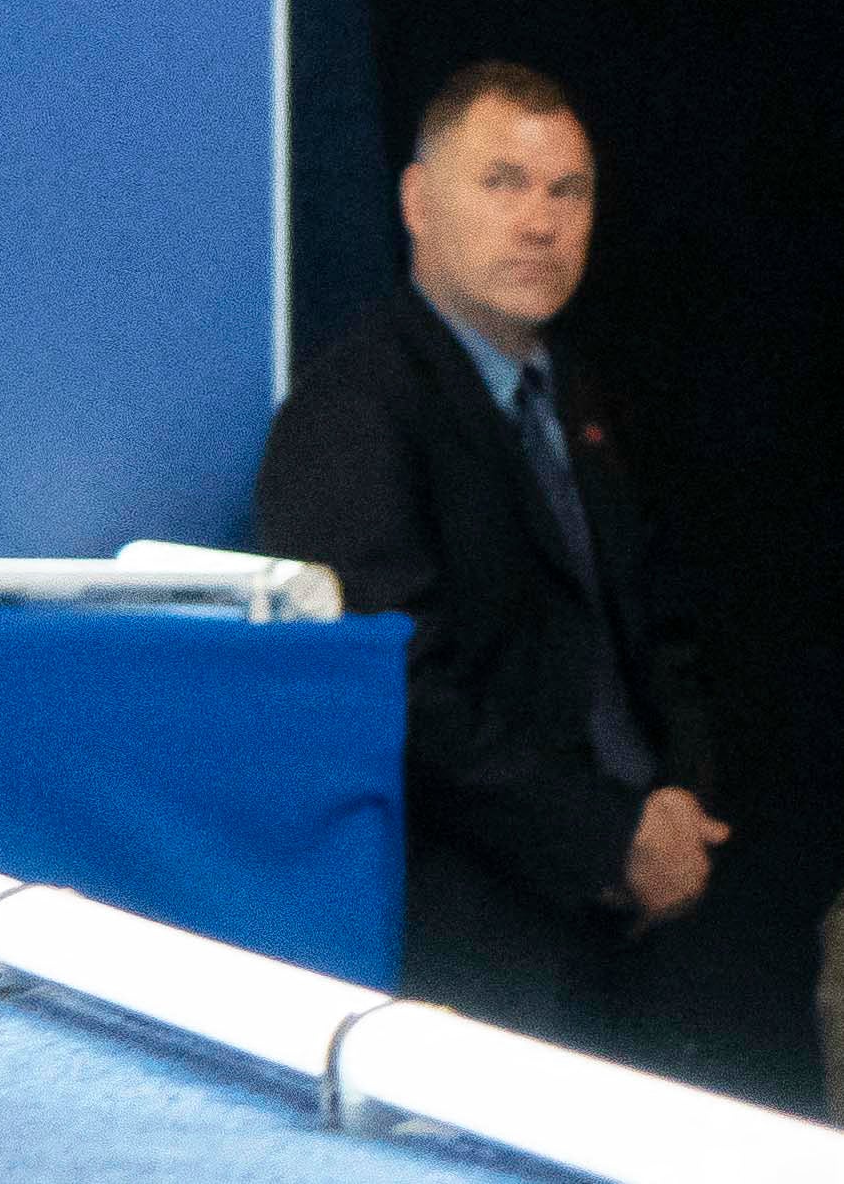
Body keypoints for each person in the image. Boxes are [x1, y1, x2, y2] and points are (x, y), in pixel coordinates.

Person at [254, 59, 725, 1044]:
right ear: (417, 202)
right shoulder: (351, 412)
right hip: (465, 953)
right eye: (500, 183)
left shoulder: (580, 399)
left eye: (567, 190)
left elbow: (653, 633)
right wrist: (606, 836)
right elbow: (394, 687)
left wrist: (678, 794)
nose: (539, 221)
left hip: (634, 940)